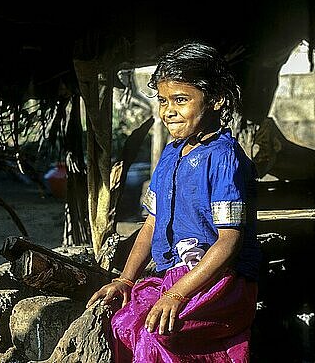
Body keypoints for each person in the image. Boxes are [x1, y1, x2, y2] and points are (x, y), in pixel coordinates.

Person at [86, 42, 261, 361]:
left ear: (216, 100)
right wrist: (126, 279)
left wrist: (178, 294)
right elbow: (151, 223)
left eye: (181, 100)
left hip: (223, 284)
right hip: (176, 278)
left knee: (158, 331)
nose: (168, 111)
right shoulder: (170, 155)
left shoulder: (224, 159)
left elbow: (229, 241)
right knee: (123, 322)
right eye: (163, 101)